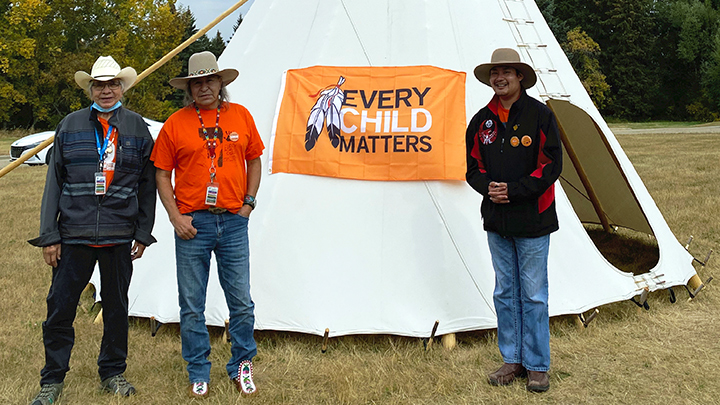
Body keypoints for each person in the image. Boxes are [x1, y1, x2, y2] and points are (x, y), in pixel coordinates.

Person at [28, 55, 157, 405]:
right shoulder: (69, 126)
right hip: (73, 233)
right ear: (90, 88)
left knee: (116, 308)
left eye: (112, 84)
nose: (106, 90)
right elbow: (53, 183)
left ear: (122, 87)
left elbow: (147, 184)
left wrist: (144, 231)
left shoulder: (136, 128)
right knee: (60, 308)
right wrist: (49, 235)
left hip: (119, 234)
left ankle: (113, 372)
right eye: (99, 85)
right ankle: (52, 380)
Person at [151, 51, 264, 398]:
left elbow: (255, 160)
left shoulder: (241, 116)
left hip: (232, 221)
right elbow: (161, 173)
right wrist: (174, 217)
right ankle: (198, 371)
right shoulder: (176, 122)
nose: (204, 87)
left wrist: (248, 205)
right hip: (192, 224)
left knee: (241, 301)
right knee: (192, 303)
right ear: (189, 88)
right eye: (197, 82)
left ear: (221, 82)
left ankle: (241, 366)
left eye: (210, 80)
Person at [465, 48, 563, 392]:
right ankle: (512, 359)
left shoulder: (540, 116)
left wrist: (515, 190)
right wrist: (487, 188)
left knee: (534, 295)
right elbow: (472, 168)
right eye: (495, 73)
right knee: (505, 292)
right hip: (497, 220)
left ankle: (537, 365)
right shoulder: (481, 120)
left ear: (520, 76)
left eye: (507, 71)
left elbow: (551, 166)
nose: (499, 78)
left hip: (532, 219)